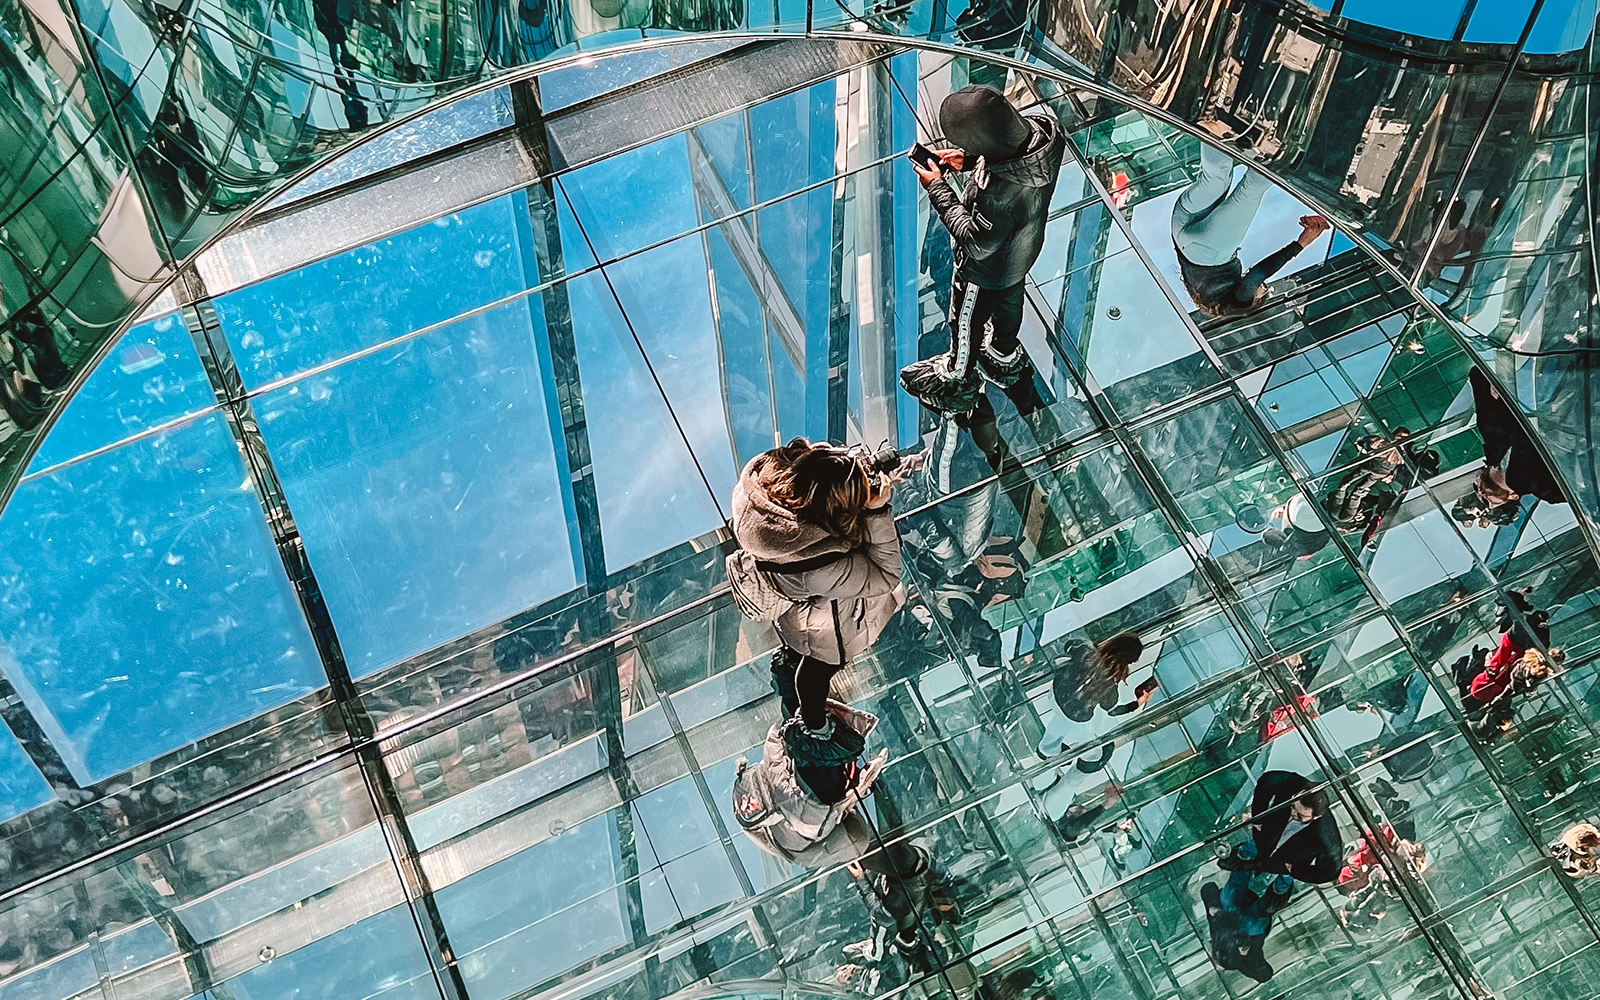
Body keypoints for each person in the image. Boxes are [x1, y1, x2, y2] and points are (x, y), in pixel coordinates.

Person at [730, 438, 915, 734]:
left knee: (801, 653)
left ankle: (791, 665)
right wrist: (876, 512)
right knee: (819, 669)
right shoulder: (820, 566)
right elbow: (884, 576)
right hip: (827, 626)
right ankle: (815, 726)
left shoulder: (764, 498)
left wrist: (843, 470)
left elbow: (812, 468)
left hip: (798, 611)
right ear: (834, 514)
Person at [900, 86, 1065, 416]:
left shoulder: (996, 198)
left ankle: (957, 373)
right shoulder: (1046, 136)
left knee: (966, 321)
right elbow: (1012, 158)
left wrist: (937, 188)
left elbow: (976, 242)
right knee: (1009, 304)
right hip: (1022, 255)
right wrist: (974, 160)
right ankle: (1003, 351)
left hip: (984, 272)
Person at [732, 700, 932, 957]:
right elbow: (883, 922)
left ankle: (869, 777)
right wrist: (861, 881)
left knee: (867, 824)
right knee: (865, 829)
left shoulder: (906, 920)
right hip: (907, 868)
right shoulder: (902, 925)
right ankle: (868, 776)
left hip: (910, 866)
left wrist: (856, 793)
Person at [1171, 139, 1330, 319]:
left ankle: (1285, 141)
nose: (1262, 288)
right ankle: (1212, 126)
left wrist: (1301, 244)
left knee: (1253, 186)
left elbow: (1257, 275)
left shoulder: (1240, 306)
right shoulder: (1211, 298)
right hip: (1180, 229)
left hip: (1209, 252)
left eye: (1263, 292)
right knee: (1216, 178)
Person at [1035, 633, 1153, 780]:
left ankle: (1048, 749)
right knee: (1090, 746)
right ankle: (1087, 761)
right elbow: (1112, 710)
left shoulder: (1086, 651)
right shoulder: (1110, 684)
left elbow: (1069, 644)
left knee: (1059, 723)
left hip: (1056, 693)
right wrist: (1137, 703)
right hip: (1076, 717)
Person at [1458, 368, 1567, 518]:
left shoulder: (1489, 433)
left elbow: (1477, 374)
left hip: (1555, 375)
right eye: (1487, 501)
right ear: (1513, 496)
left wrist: (1497, 385)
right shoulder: (1546, 489)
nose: (1481, 493)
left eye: (1476, 489)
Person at [1218, 771, 1342, 888]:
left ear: (1316, 817)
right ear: (1298, 793)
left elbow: (1330, 873)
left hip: (1281, 863)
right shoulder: (1293, 783)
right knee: (1233, 862)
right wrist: (1258, 818)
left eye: (1300, 816)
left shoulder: (1326, 835)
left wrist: (1295, 870)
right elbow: (1266, 780)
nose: (1293, 813)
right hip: (1264, 838)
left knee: (1263, 879)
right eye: (1293, 805)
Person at [1199, 873, 1280, 983]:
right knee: (1232, 898)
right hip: (1238, 922)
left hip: (1243, 922)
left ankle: (1283, 878)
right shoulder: (1229, 961)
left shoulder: (1231, 961)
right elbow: (1216, 928)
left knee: (1234, 892)